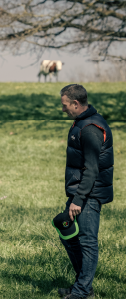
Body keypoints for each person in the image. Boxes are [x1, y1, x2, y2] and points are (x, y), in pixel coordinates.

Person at [57, 84, 113, 299]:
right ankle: (83, 284)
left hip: (88, 195)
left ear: (76, 104)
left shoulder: (90, 128)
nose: (63, 109)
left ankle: (81, 292)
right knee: (66, 231)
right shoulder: (81, 122)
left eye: (65, 105)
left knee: (87, 241)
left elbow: (92, 169)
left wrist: (78, 199)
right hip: (79, 193)